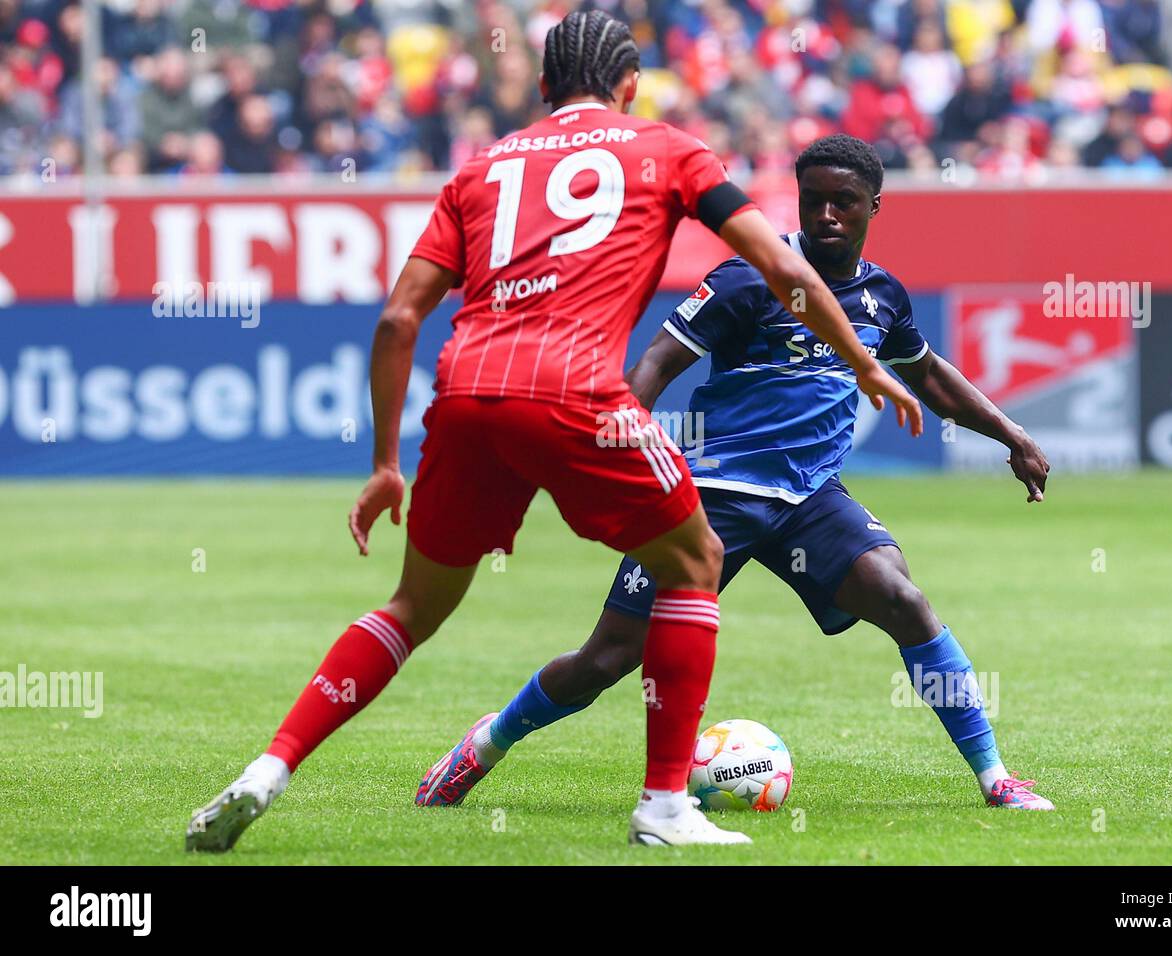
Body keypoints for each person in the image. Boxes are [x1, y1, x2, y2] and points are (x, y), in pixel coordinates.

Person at [186, 12, 921, 853]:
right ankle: (664, 805)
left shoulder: (483, 166)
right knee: (694, 561)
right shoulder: (669, 148)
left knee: (410, 607)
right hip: (577, 394)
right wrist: (862, 362)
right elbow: (785, 270)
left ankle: (266, 770)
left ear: (540, 88)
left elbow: (397, 321)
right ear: (632, 86)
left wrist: (387, 463)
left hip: (465, 393)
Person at [417, 135, 1056, 817]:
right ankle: (488, 742)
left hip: (811, 499)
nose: (827, 216)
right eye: (814, 202)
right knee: (607, 658)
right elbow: (655, 366)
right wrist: (623, 447)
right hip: (714, 498)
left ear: (875, 204)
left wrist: (1010, 435)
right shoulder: (749, 278)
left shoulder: (882, 296)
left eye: (844, 202)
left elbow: (926, 374)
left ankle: (996, 779)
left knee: (904, 600)